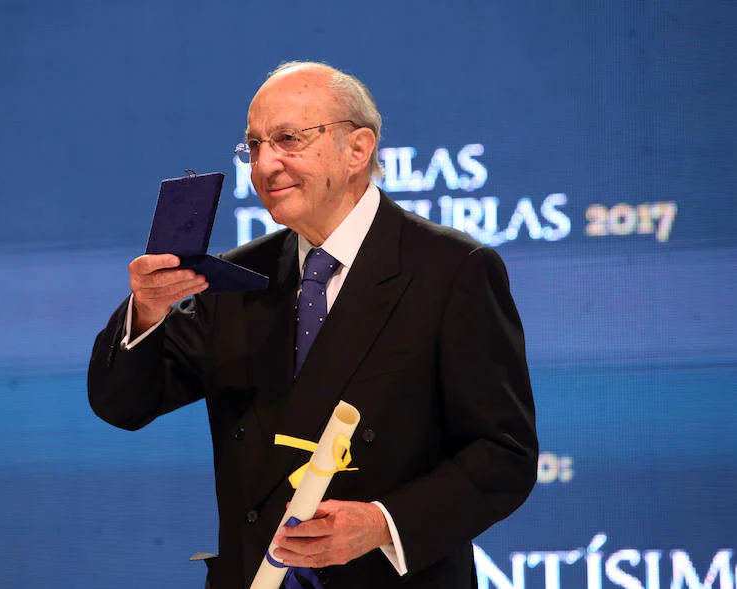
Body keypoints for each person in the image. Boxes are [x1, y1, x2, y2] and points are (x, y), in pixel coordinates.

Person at [88, 61, 538, 589]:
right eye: (253, 146)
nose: (264, 166)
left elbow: (502, 456)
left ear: (357, 149)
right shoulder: (237, 280)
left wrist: (381, 524)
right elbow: (124, 405)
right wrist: (146, 311)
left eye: (287, 139)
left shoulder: (451, 269)